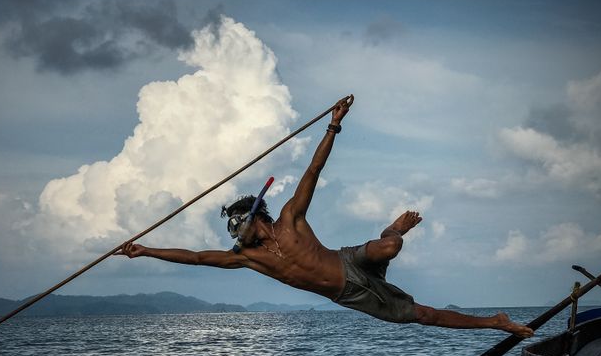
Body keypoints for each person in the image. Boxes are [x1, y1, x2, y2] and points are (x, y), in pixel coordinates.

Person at [117, 95, 533, 338]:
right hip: (350, 294)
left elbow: (312, 173)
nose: (233, 233)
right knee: (421, 315)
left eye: (236, 224)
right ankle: (495, 323)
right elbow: (195, 257)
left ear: (254, 216)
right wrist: (145, 251)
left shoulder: (290, 218)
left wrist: (333, 126)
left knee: (391, 245)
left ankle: (394, 227)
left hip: (349, 260)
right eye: (231, 230)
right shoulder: (246, 258)